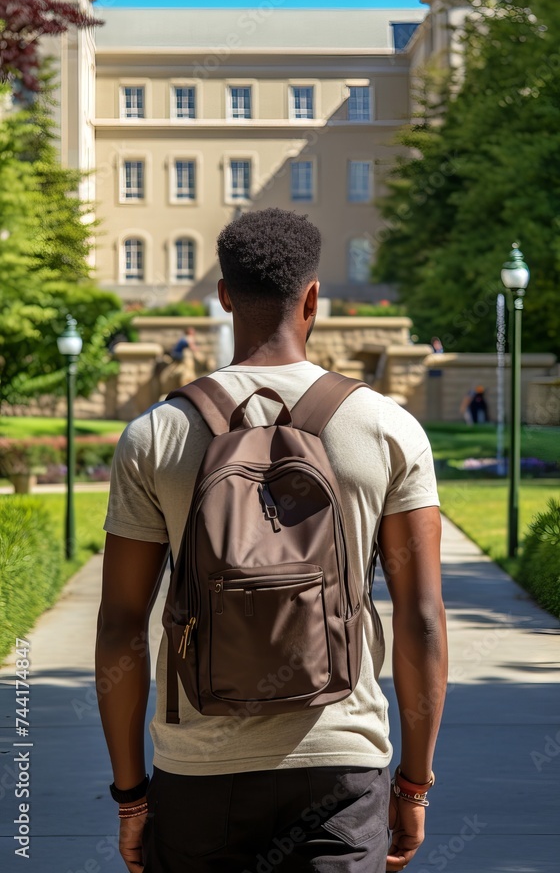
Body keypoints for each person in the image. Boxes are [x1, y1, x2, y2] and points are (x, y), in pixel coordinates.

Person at [96, 208, 447, 873]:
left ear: (224, 295)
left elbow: (118, 627)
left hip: (199, 770)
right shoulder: (387, 428)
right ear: (314, 297)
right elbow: (423, 620)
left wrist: (131, 799)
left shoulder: (154, 435)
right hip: (340, 764)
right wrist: (414, 784)